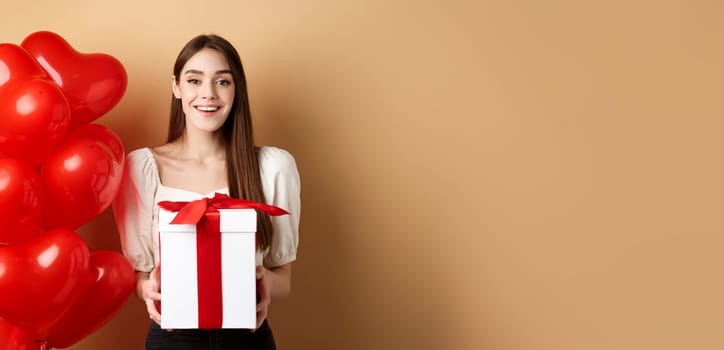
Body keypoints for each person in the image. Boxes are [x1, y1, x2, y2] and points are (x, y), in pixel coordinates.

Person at [113, 34, 301, 350]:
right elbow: (141, 275)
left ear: (236, 90)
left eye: (223, 82)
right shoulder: (142, 168)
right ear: (177, 87)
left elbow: (283, 278)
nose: (208, 94)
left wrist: (262, 282)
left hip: (247, 336)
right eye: (194, 80)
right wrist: (148, 290)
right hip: (173, 337)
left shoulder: (272, 167)